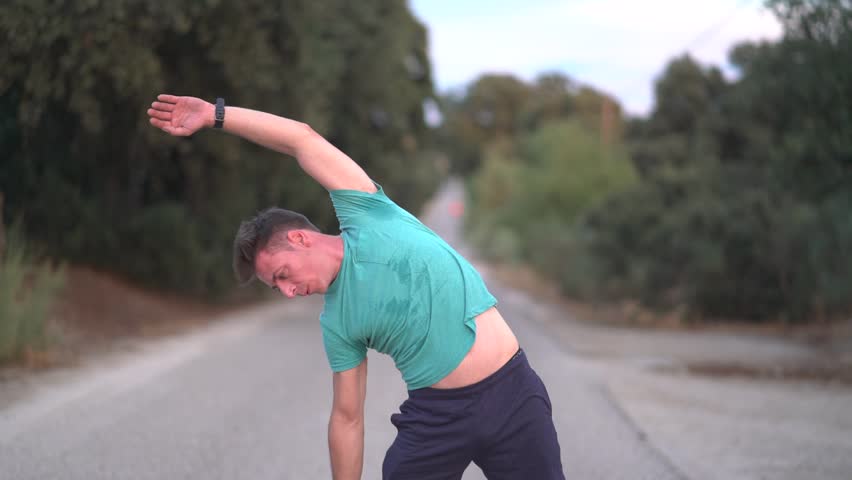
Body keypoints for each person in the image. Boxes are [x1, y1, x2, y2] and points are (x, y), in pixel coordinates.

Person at [147, 94, 564, 480]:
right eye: (279, 289)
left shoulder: (366, 212)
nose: (289, 291)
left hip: (511, 395)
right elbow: (347, 417)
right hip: (436, 419)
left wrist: (217, 116)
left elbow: (300, 140)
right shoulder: (337, 322)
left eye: (283, 276)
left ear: (299, 238)